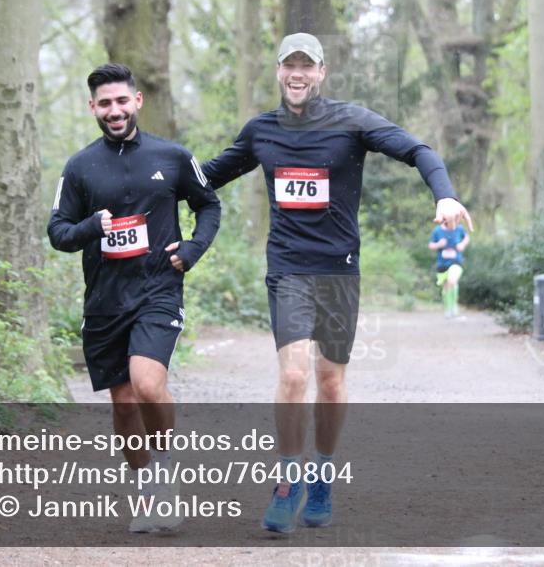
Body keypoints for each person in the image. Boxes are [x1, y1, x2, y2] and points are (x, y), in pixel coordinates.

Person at [202, 33, 471, 533]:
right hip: (287, 269)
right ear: (279, 72)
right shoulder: (261, 131)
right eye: (289, 65)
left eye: (307, 65)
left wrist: (445, 196)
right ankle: (286, 483)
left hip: (339, 269)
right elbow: (205, 177)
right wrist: (151, 179)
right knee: (294, 376)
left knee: (330, 380)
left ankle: (322, 474)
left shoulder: (352, 122)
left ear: (321, 72)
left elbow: (418, 150)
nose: (297, 74)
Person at [47, 63, 221, 533]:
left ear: (137, 101)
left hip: (158, 289)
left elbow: (209, 205)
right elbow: (57, 233)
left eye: (122, 101)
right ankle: (145, 487)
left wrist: (192, 249)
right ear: (93, 109)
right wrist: (91, 226)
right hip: (104, 300)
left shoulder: (173, 156)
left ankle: (166, 477)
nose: (114, 110)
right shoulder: (79, 167)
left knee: (147, 384)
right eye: (105, 104)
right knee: (123, 404)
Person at [429, 216, 472, 318]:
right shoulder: (437, 231)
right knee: (446, 286)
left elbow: (466, 237)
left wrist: (462, 244)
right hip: (442, 264)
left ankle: (454, 307)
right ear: (446, 221)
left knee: (452, 280)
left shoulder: (459, 228)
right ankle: (448, 308)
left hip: (456, 261)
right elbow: (431, 245)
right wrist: (439, 244)